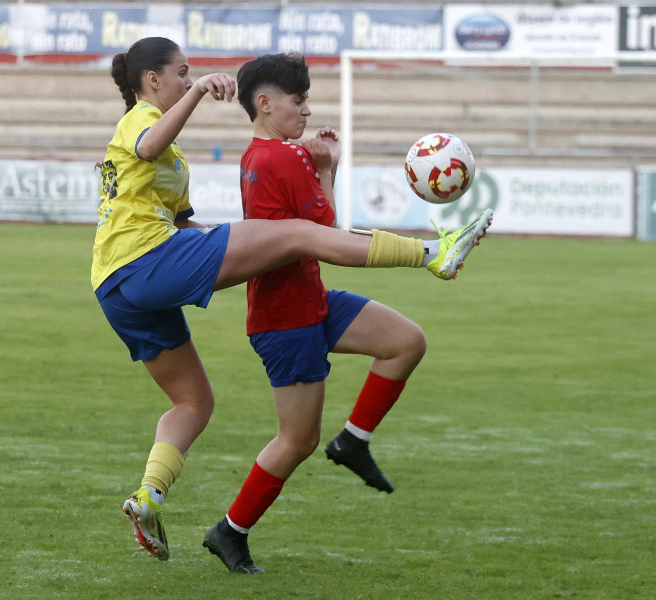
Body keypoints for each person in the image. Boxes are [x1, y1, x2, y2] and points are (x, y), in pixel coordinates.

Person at [92, 38, 492, 564]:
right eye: (183, 74)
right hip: (146, 261)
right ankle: (431, 254)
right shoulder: (141, 118)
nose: (189, 82)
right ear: (152, 80)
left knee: (195, 403)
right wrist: (200, 95)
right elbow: (147, 145)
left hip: (119, 285)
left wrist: (248, 243)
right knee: (300, 245)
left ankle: (149, 495)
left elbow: (189, 220)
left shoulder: (179, 153)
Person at [201, 53, 493, 574]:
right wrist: (323, 168)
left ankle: (353, 441)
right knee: (297, 441)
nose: (308, 110)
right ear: (264, 103)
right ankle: (230, 531)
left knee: (406, 341)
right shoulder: (283, 159)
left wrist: (320, 167)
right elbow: (332, 237)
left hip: (309, 300)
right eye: (299, 100)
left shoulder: (258, 154)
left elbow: (322, 232)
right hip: (285, 319)